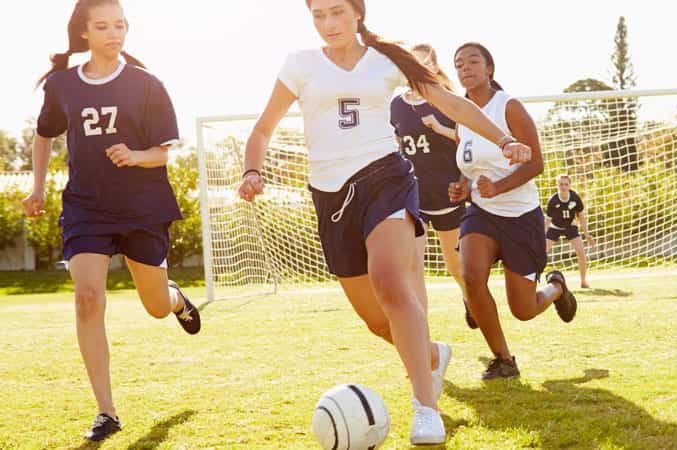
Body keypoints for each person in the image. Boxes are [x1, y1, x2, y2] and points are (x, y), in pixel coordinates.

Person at [238, 1, 531, 445]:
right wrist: (252, 171)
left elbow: (449, 102)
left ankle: (425, 410)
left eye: (337, 11)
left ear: (357, 12)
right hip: (330, 196)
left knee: (392, 282)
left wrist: (504, 138)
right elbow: (262, 131)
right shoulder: (298, 65)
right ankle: (432, 355)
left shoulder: (388, 59)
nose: (328, 23)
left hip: (384, 179)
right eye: (318, 14)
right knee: (378, 321)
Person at [22, 0, 201, 442]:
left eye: (119, 25)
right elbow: (44, 134)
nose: (113, 33)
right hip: (87, 208)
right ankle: (107, 411)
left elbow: (162, 153)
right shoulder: (64, 85)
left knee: (155, 306)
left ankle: (176, 299)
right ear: (84, 32)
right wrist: (38, 186)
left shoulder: (146, 85)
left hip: (142, 206)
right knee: (87, 298)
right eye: (102, 26)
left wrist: (135, 155)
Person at [447, 42, 577, 380]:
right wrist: (462, 185)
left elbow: (536, 163)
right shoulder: (461, 116)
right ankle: (504, 360)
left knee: (524, 309)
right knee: (472, 277)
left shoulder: (509, 108)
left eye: (473, 61)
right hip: (482, 214)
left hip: (520, 216)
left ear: (489, 68)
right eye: (459, 64)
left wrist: (500, 186)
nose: (465, 68)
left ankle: (556, 287)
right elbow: (469, 163)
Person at [389, 43, 477, 330]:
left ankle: (470, 299)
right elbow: (394, 141)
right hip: (411, 193)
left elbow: (468, 139)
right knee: (413, 266)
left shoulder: (446, 99)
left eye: (423, 63)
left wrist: (440, 129)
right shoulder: (396, 105)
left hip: (446, 191)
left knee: (456, 266)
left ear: (433, 67)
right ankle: (420, 333)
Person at [545, 174, 596, 288]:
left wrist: (587, 234)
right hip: (555, 227)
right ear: (557, 185)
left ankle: (583, 281)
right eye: (561, 184)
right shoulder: (553, 200)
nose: (563, 187)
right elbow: (547, 221)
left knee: (581, 253)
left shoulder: (575, 198)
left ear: (570, 185)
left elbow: (581, 217)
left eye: (566, 184)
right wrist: (542, 236)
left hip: (570, 227)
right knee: (542, 253)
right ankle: (534, 280)